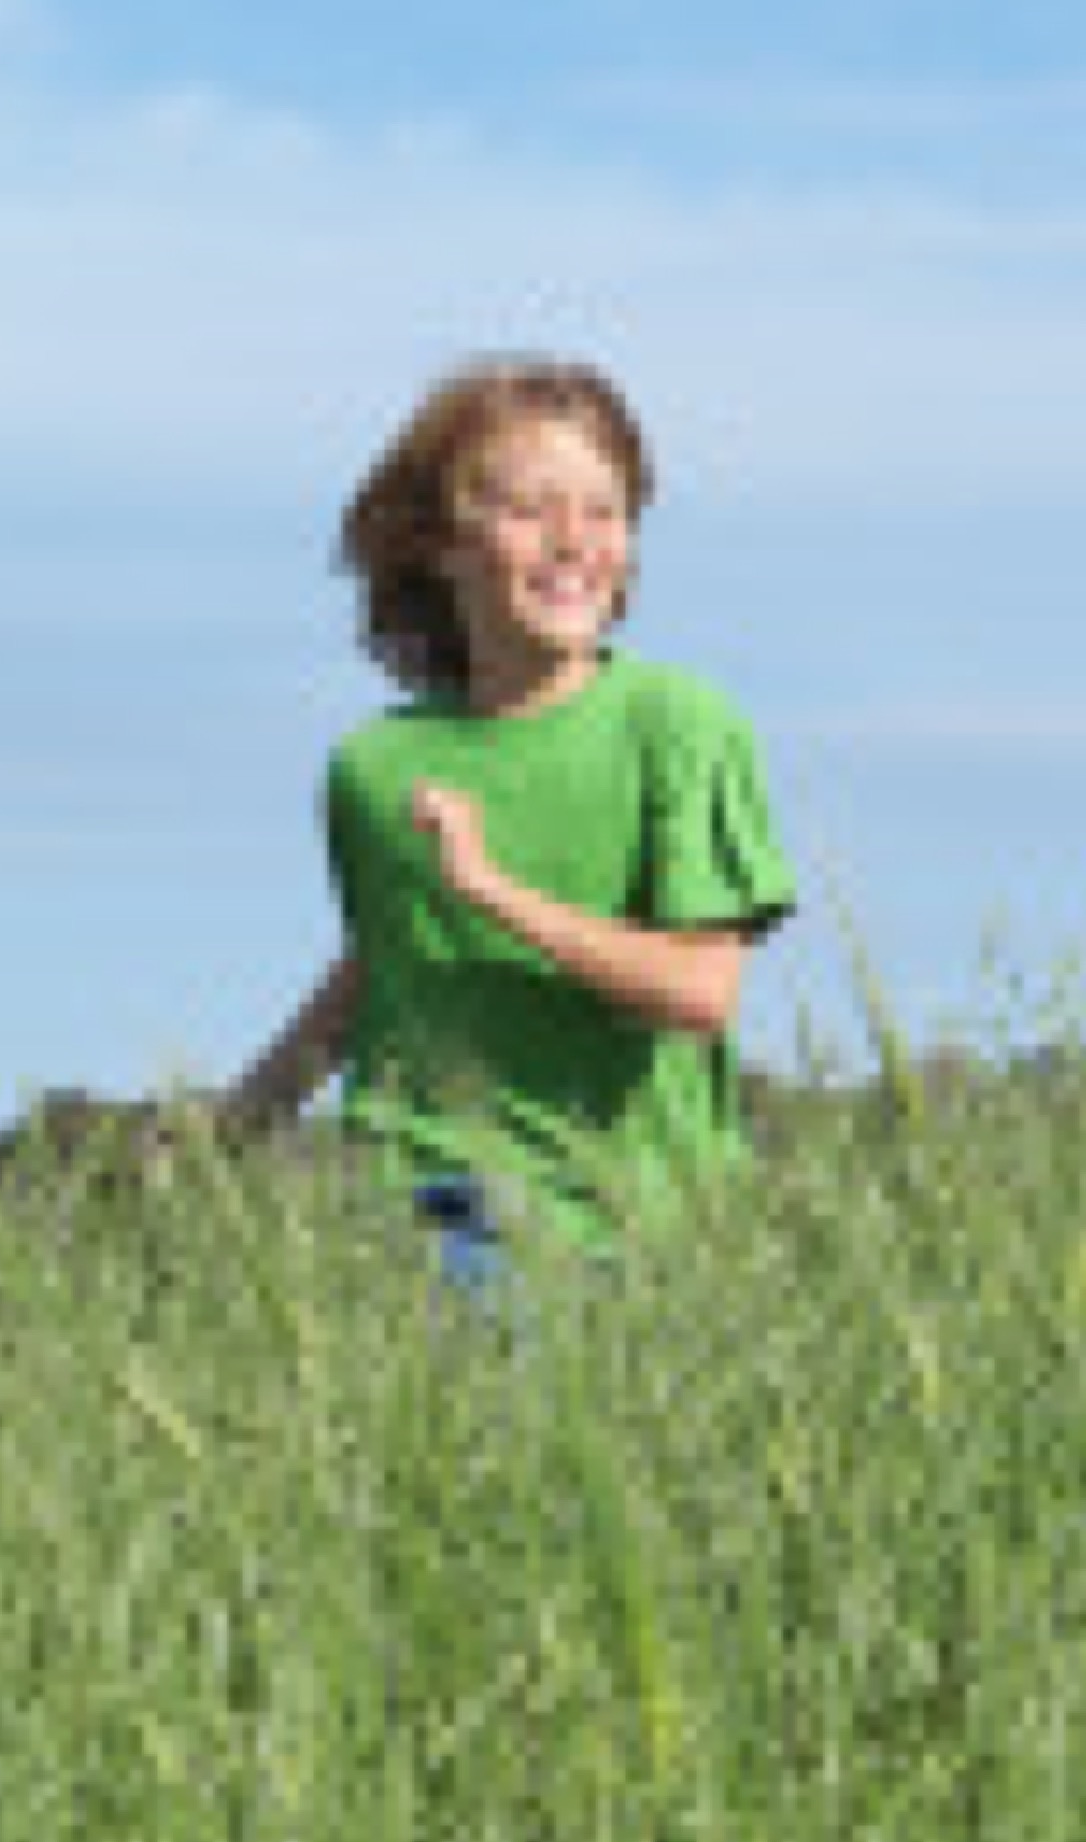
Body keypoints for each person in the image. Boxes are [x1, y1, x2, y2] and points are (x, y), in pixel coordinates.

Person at [228, 357, 796, 1288]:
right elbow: (390, 960)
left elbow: (700, 991)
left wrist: (494, 890)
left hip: (626, 1231)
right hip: (419, 1207)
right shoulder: (374, 767)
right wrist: (238, 1126)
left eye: (605, 512)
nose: (574, 541)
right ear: (443, 544)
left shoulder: (682, 728)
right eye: (532, 511)